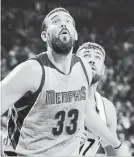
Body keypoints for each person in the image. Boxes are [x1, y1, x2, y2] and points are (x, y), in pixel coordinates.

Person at [0, 8, 121, 156]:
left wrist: (115, 143)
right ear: (44, 36)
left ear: (75, 34)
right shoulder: (31, 71)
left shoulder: (84, 68)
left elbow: (86, 111)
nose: (63, 24)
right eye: (56, 21)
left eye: (68, 21)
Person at [76, 42, 131, 156]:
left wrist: (121, 150)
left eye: (97, 57)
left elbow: (113, 153)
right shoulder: (56, 93)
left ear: (103, 69)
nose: (92, 60)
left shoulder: (107, 107)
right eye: (86, 55)